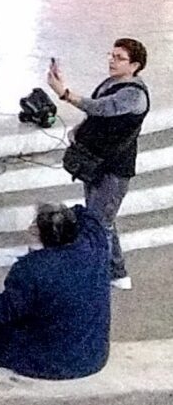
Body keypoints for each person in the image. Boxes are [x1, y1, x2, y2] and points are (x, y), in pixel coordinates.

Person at [0, 204, 110, 380]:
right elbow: (85, 213)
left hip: (54, 362)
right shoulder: (97, 244)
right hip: (95, 354)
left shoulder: (31, 268)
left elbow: (4, 311)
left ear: (38, 233)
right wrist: (58, 216)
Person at [47, 39, 149, 290]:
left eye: (119, 57)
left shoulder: (133, 94)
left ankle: (98, 276)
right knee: (101, 220)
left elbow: (102, 108)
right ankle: (116, 271)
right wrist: (80, 131)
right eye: (111, 55)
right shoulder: (112, 82)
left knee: (98, 224)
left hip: (114, 168)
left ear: (135, 65)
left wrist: (64, 93)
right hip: (97, 163)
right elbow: (95, 115)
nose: (112, 60)